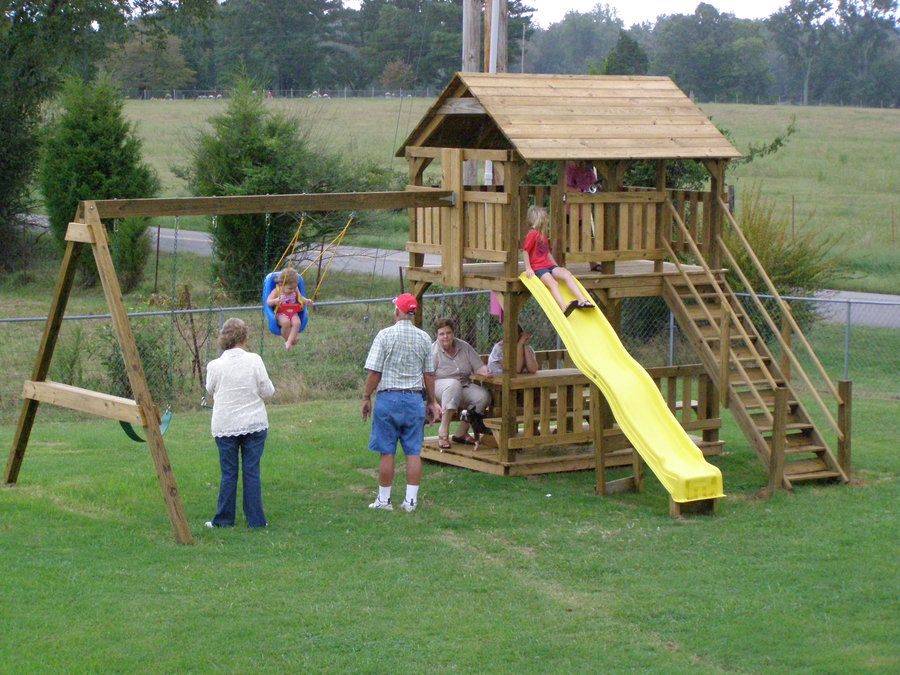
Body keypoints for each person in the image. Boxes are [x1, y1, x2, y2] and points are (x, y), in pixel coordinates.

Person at [362, 293, 442, 512]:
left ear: (397, 311)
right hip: (414, 399)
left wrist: (366, 397)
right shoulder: (425, 338)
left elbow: (374, 372)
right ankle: (410, 502)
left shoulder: (384, 335)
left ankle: (384, 500)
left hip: (388, 398)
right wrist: (432, 402)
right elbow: (429, 374)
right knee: (413, 451)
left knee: (387, 451)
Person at [204, 318, 275, 529]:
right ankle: (256, 520)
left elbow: (210, 389)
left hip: (225, 424)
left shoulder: (215, 365)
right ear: (244, 337)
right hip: (254, 423)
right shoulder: (255, 360)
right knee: (251, 471)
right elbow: (267, 391)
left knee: (229, 472)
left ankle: (224, 520)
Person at [522, 205, 595, 316]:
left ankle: (582, 300)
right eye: (543, 218)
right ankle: (563, 307)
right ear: (536, 219)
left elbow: (548, 253)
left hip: (548, 266)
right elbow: (525, 251)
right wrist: (528, 268)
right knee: (553, 283)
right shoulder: (532, 234)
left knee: (567, 274)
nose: (545, 221)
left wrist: (556, 266)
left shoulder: (543, 235)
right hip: (538, 268)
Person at [432, 318, 492, 449]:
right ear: (437, 335)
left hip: (463, 385)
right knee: (453, 385)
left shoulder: (464, 346)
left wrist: (485, 371)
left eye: (448, 332)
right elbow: (426, 377)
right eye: (441, 334)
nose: (445, 336)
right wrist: (431, 401)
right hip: (439, 388)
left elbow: (478, 366)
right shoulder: (433, 351)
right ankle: (443, 432)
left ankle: (461, 433)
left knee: (483, 396)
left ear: (453, 333)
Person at [266, 266, 313, 350]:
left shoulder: (295, 289)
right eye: (290, 288)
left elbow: (300, 297)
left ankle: (289, 341)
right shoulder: (277, 291)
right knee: (285, 323)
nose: (293, 290)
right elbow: (268, 302)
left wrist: (307, 301)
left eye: (294, 287)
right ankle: (289, 340)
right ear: (281, 284)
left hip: (293, 311)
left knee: (297, 323)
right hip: (280, 312)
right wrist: (275, 301)